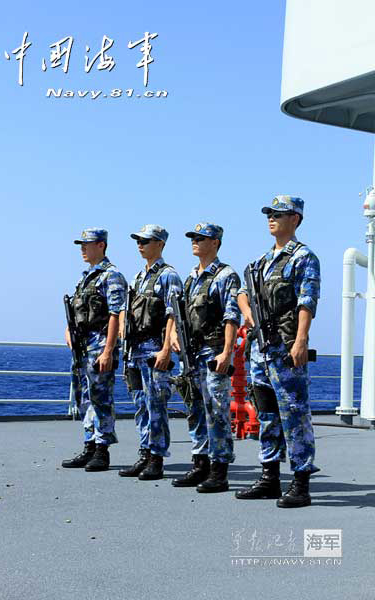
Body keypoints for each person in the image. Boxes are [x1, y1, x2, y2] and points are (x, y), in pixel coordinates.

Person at [235, 196, 321, 508]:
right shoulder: (259, 262)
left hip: (285, 349)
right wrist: (248, 314)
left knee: (295, 415)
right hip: (260, 351)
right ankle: (270, 477)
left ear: (295, 219)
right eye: (269, 214)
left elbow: (306, 302)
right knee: (267, 415)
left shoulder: (303, 257)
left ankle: (300, 482)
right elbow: (242, 293)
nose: (271, 218)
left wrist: (300, 341)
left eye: (279, 214)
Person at [171, 223, 241, 493]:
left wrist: (227, 351)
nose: (195, 241)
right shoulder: (191, 278)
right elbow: (180, 315)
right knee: (195, 410)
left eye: (201, 238)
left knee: (217, 412)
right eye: (193, 238)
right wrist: (175, 337)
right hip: (192, 355)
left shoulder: (225, 276)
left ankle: (219, 470)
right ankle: (200, 463)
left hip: (213, 353)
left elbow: (231, 316)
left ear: (215, 242)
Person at [118, 224, 183, 481]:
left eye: (146, 240)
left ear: (160, 244)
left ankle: (157, 457)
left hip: (155, 349)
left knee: (156, 404)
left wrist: (166, 349)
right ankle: (145, 453)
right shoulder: (137, 277)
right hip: (135, 350)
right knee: (140, 405)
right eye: (139, 240)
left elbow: (173, 314)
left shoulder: (169, 276)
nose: (140, 244)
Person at [62, 228, 127, 472]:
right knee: (84, 397)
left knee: (101, 398)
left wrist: (108, 350)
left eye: (87, 244)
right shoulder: (86, 278)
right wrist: (69, 330)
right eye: (81, 244)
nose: (82, 248)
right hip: (82, 346)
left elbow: (115, 313)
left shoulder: (111, 276)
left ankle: (102, 449)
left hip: (99, 345)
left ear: (101, 245)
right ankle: (89, 445)